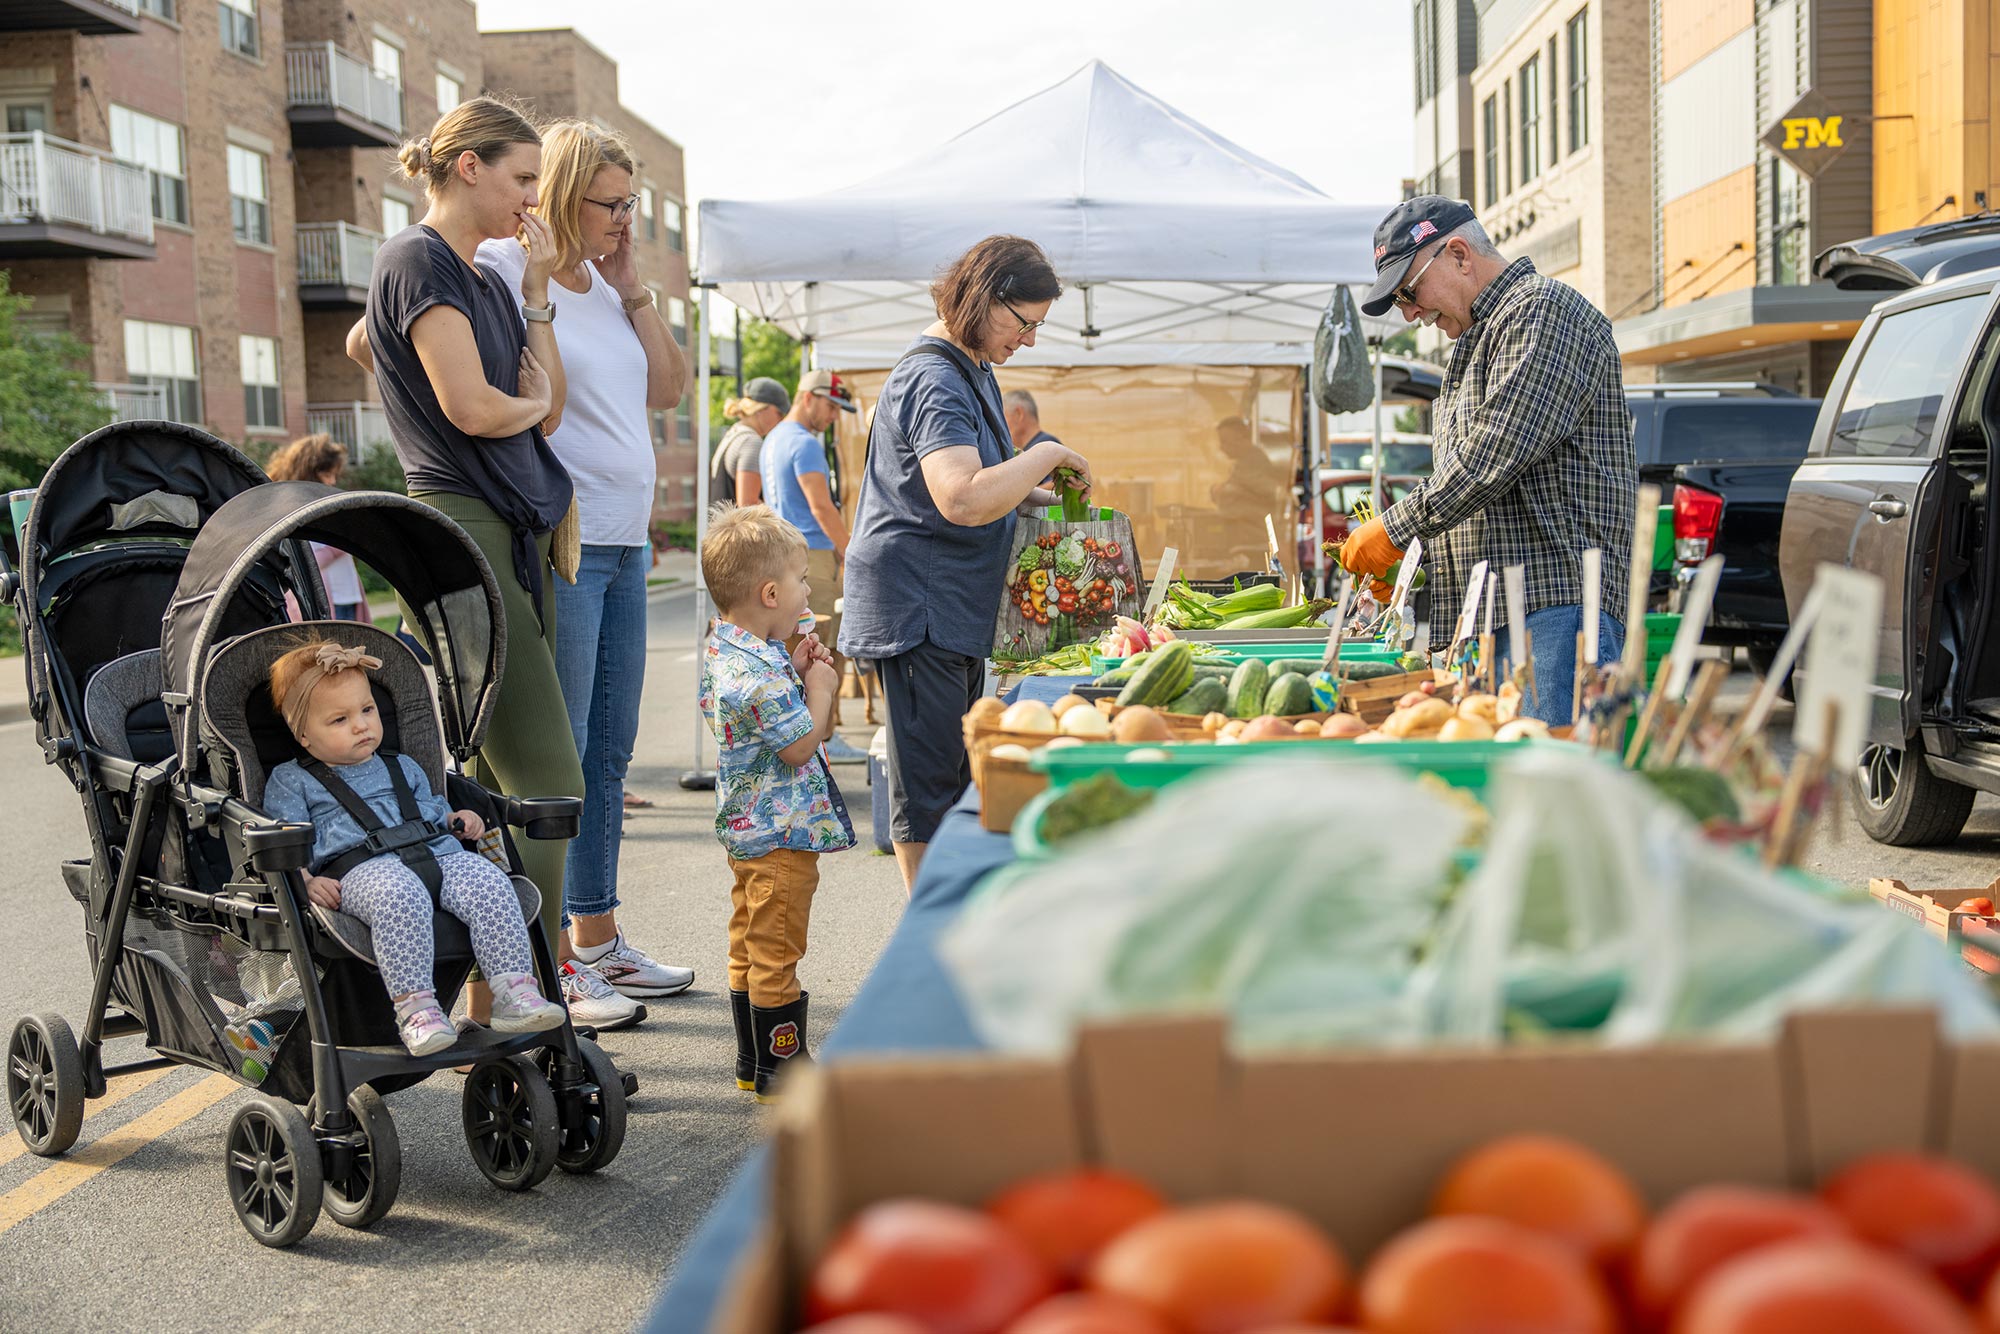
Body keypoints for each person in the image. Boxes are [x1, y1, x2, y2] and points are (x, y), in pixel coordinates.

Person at [343, 96, 584, 1029]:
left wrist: (533, 299)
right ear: (468, 167)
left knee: (485, 782)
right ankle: (538, 989)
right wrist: (520, 401)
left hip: (513, 529)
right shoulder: (415, 258)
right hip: (462, 532)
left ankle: (496, 1001)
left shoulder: (483, 277)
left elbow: (545, 405)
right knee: (549, 782)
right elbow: (480, 409)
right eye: (523, 176)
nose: (534, 195)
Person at [474, 119, 694, 1029]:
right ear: (562, 192)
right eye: (611, 203)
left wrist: (636, 290)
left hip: (626, 543)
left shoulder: (609, 286)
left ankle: (597, 934)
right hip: (562, 541)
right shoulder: (499, 265)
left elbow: (670, 390)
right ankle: (549, 958)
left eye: (632, 202)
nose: (625, 219)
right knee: (554, 757)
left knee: (609, 749)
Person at [838, 234, 1093, 893]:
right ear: (986, 299)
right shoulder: (932, 376)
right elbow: (959, 497)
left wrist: (1041, 491)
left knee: (948, 776)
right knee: (927, 787)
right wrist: (1046, 455)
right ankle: (929, 933)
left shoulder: (970, 364)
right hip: (919, 608)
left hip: (946, 606)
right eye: (1026, 323)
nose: (1030, 340)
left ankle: (947, 916)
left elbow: (977, 477)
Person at [1343, 197, 1636, 725]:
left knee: (1550, 789)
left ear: (1458, 254)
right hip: (1493, 616)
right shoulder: (1474, 341)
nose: (1410, 312)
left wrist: (1395, 530)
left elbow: (1493, 454)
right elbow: (1481, 502)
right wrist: (1414, 569)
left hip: (1554, 607)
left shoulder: (1544, 311)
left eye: (1409, 291)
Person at [262, 639, 565, 1055]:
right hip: (360, 871)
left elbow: (433, 811)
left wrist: (459, 821)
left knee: (490, 883)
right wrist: (304, 879)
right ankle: (417, 1010)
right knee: (398, 894)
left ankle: (515, 993)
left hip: (437, 854)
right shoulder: (292, 779)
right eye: (339, 720)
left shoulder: (401, 765)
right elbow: (283, 837)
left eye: (367, 710)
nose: (361, 725)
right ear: (303, 735)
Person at [698, 505, 854, 1101]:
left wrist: (791, 667)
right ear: (770, 592)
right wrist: (818, 691)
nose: (808, 589)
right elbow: (797, 746)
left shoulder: (730, 652)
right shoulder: (760, 674)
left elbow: (745, 719)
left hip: (748, 832)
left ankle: (751, 1058)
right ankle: (783, 1068)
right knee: (778, 949)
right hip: (781, 834)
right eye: (801, 580)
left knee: (749, 938)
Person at [759, 368, 868, 763]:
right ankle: (826, 735)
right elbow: (821, 506)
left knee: (795, 650)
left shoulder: (772, 439)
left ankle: (806, 735)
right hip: (814, 558)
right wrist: (852, 552)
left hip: (783, 555)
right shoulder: (804, 444)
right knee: (824, 651)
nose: (834, 416)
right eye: (831, 406)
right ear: (809, 396)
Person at [265, 434, 371, 623]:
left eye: (334, 475)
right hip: (324, 599)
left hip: (346, 596)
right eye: (327, 474)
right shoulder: (291, 510)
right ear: (308, 472)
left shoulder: (333, 504)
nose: (332, 482)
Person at [712, 377, 790, 506]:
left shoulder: (734, 434)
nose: (781, 420)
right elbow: (748, 504)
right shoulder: (751, 442)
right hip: (737, 526)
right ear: (761, 409)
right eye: (779, 413)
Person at [1002, 388, 1061, 454]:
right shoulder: (1035, 448)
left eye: (1003, 418)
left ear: (1019, 414)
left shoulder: (1046, 448)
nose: (1001, 425)